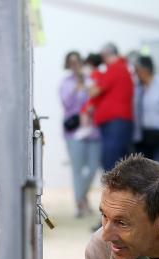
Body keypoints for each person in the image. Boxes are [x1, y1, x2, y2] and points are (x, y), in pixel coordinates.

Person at [59, 51, 101, 217]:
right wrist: (76, 89)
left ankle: (82, 196)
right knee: (77, 169)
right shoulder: (65, 83)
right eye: (72, 62)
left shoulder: (91, 78)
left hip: (94, 130)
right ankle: (79, 202)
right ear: (68, 65)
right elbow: (66, 104)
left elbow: (97, 96)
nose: (75, 65)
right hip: (74, 132)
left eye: (78, 62)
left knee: (92, 168)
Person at [86, 43, 134, 172]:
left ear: (106, 54)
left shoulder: (115, 68)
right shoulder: (119, 68)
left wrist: (92, 74)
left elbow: (93, 91)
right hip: (115, 122)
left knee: (110, 160)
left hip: (116, 122)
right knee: (114, 160)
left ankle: (114, 191)